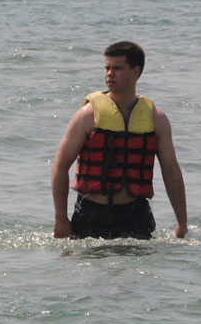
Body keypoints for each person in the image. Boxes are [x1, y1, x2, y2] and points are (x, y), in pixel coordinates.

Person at [52, 41, 187, 240]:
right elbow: (60, 166)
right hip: (92, 213)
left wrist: (182, 223)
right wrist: (61, 218)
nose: (109, 74)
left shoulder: (156, 119)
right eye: (107, 68)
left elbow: (171, 171)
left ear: (135, 72)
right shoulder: (87, 116)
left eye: (117, 68)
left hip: (136, 214)